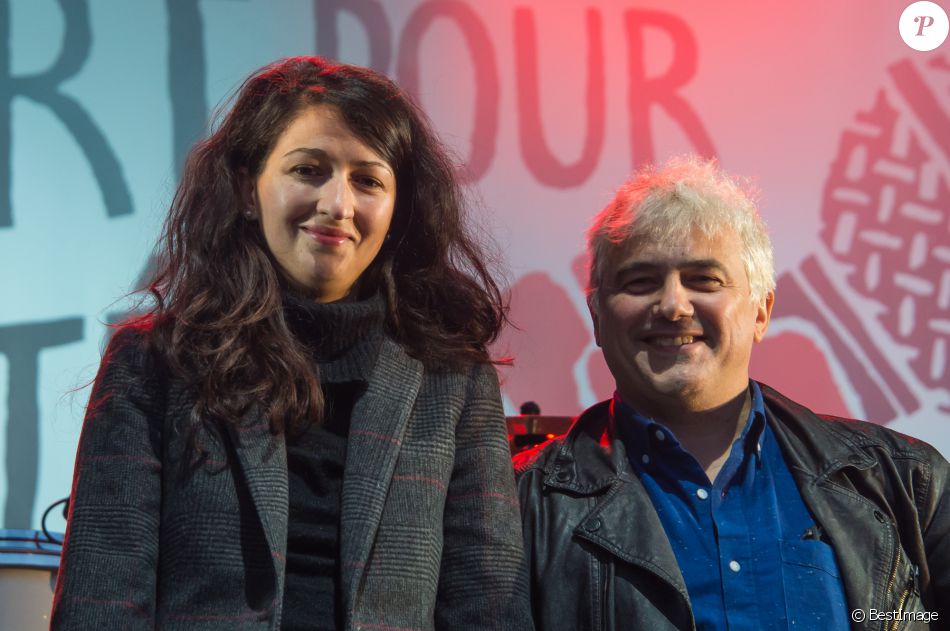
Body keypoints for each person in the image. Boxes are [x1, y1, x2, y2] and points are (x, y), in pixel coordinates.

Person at [52, 56, 530, 630]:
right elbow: (100, 606)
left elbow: (489, 607)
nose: (338, 205)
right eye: (309, 170)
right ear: (249, 191)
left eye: (368, 180)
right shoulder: (154, 364)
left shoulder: (451, 377)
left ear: (399, 209)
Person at [515, 156, 950, 630]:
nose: (673, 306)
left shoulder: (907, 483)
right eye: (640, 282)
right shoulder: (520, 506)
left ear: (761, 311)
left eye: (704, 279)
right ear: (598, 317)